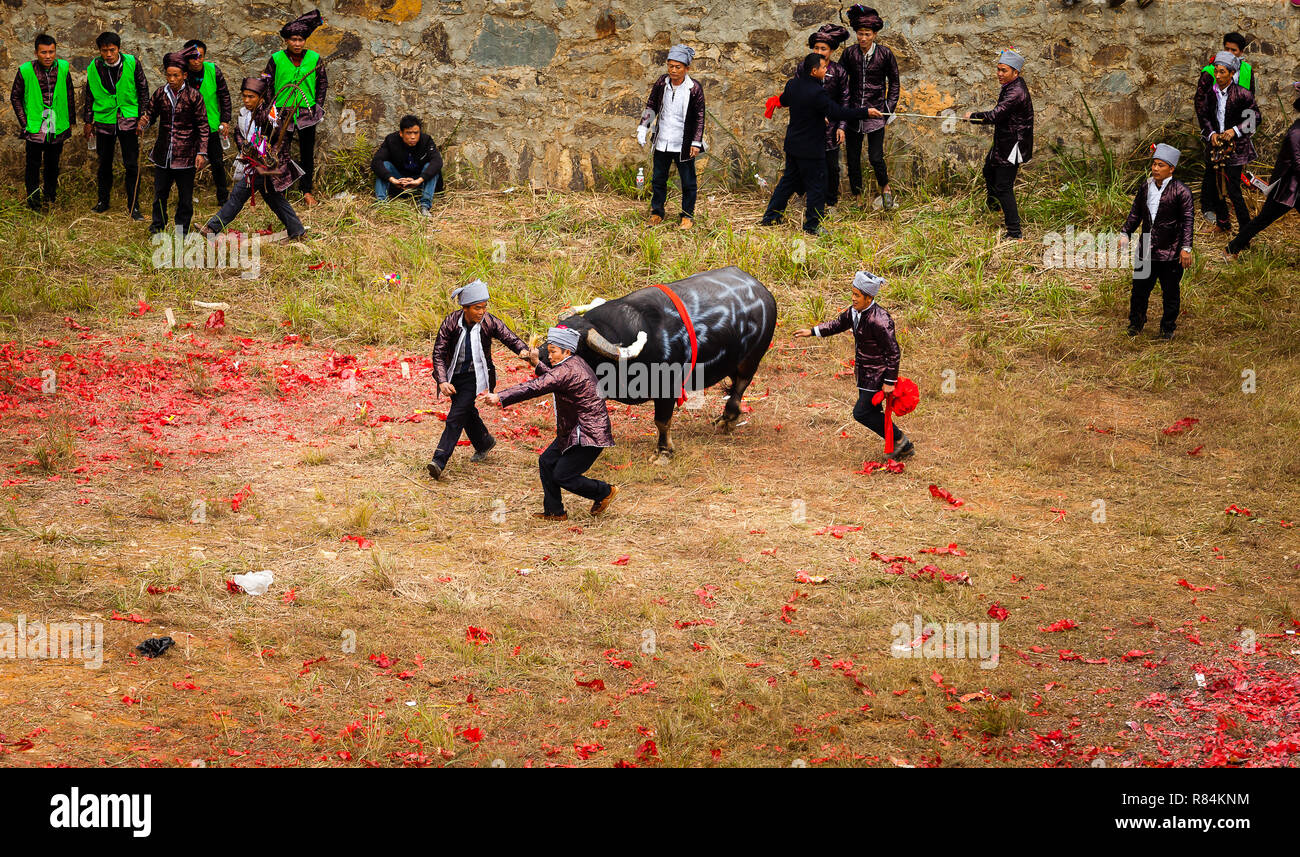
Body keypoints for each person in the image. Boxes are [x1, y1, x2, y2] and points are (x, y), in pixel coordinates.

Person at [480, 326, 619, 521]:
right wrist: (537, 363)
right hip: (576, 430)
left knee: (562, 475)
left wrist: (500, 397)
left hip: (588, 434)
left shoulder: (567, 370)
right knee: (546, 462)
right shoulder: (572, 363)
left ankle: (604, 491)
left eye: (553, 351)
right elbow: (552, 378)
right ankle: (555, 511)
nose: (550, 356)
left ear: (567, 351)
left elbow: (535, 387)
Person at [793, 271, 913, 460]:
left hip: (876, 375)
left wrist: (889, 381)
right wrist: (812, 331)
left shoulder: (880, 320)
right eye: (853, 293)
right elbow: (837, 324)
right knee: (871, 412)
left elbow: (893, 352)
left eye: (857, 295)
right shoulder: (854, 312)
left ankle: (901, 441)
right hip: (864, 373)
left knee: (861, 412)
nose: (853, 298)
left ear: (869, 297)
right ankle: (899, 444)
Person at [427, 280, 533, 481]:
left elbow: (508, 336)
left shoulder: (489, 322)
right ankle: (484, 442)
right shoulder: (450, 323)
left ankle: (439, 461)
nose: (481, 312)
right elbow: (439, 353)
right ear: (465, 308)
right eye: (477, 308)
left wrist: (523, 350)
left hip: (473, 377)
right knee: (466, 411)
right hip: (453, 375)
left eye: (484, 307)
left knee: (456, 416)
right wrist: (442, 380)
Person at [760, 53, 873, 235]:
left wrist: (819, 116)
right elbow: (838, 111)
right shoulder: (817, 92)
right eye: (823, 67)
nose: (826, 69)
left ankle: (771, 217)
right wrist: (865, 112)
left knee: (787, 182)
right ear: (814, 71)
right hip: (811, 148)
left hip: (793, 144)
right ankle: (812, 225)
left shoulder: (792, 84)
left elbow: (788, 101)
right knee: (817, 186)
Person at [198, 76, 305, 240]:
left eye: (251, 97)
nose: (246, 100)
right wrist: (245, 147)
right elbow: (239, 134)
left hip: (265, 165)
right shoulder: (244, 113)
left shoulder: (269, 114)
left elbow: (278, 137)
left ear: (261, 97)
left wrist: (266, 153)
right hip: (254, 163)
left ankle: (212, 227)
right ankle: (297, 231)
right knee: (273, 199)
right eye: (244, 96)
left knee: (238, 195)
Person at [1118, 144, 1194, 340]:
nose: (1155, 169)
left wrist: (1186, 248)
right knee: (1139, 290)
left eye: (1161, 165)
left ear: (1171, 169)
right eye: (1154, 164)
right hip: (1146, 249)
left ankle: (1167, 327)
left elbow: (1187, 221)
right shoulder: (1145, 187)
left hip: (1170, 251)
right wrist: (1125, 232)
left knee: (1170, 292)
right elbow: (1136, 213)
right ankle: (1136, 322)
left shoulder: (1181, 191)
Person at [964, 50, 1033, 240]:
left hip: (1013, 145)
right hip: (1005, 140)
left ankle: (1014, 232)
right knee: (989, 170)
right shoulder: (1012, 85)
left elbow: (995, 115)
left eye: (1004, 70)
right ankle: (994, 208)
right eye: (998, 69)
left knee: (1004, 185)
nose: (999, 74)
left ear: (1016, 72)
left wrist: (973, 117)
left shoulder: (1016, 92)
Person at [636, 44, 705, 230]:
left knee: (688, 182)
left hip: (683, 143)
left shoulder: (694, 88)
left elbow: (699, 117)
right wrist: (643, 127)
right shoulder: (661, 83)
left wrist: (696, 142)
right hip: (663, 141)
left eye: (678, 67)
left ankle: (687, 215)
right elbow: (651, 106)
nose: (673, 70)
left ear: (686, 68)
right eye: (670, 66)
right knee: (658, 179)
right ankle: (657, 212)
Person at [1226, 86, 1300, 257]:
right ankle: (1231, 249)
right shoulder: (1296, 133)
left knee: (1262, 220)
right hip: (1287, 190)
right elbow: (1298, 165)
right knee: (1262, 220)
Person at [141, 49, 208, 235]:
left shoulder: (194, 96)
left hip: (186, 155)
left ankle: (181, 231)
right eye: (169, 75)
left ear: (184, 75)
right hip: (164, 154)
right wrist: (144, 122)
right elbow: (150, 114)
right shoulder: (160, 94)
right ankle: (157, 228)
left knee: (185, 197)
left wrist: (202, 153)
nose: (171, 79)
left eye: (176, 75)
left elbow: (203, 126)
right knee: (160, 194)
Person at [264, 9, 327, 207]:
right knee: (280, 151)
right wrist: (270, 109)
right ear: (286, 41)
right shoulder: (276, 59)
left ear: (305, 40)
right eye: (293, 40)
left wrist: (317, 106)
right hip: (282, 112)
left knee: (307, 152)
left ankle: (306, 191)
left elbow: (322, 84)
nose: (297, 44)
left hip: (306, 112)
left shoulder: (314, 58)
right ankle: (279, 189)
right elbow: (267, 85)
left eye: (301, 40)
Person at [83, 32, 149, 218]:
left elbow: (143, 89)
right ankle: (103, 201)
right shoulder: (94, 67)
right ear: (99, 51)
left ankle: (133, 206)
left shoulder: (132, 63)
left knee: (131, 165)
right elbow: (89, 94)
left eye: (112, 50)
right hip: (105, 120)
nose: (109, 54)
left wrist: (143, 116)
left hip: (128, 119)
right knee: (104, 163)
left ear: (119, 49)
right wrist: (88, 121)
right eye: (105, 51)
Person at [839, 6, 899, 208]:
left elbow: (895, 83)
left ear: (874, 35)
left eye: (867, 34)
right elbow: (840, 80)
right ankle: (857, 196)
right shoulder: (849, 54)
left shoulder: (885, 54)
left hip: (877, 113)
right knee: (853, 158)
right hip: (854, 112)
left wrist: (888, 109)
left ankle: (885, 188)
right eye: (860, 34)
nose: (863, 38)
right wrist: (840, 108)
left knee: (875, 157)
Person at [1194, 50, 1259, 236]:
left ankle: (1246, 232)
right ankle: (1223, 223)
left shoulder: (1242, 94)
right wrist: (1212, 133)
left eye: (1222, 72)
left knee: (1233, 189)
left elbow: (1255, 117)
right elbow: (1204, 116)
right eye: (1216, 71)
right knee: (1216, 186)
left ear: (1232, 73)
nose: (1218, 75)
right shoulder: (1211, 94)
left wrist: (1235, 131)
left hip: (1235, 148)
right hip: (1216, 147)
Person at [10, 33, 76, 211]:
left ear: (55, 51)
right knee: (32, 165)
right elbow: (15, 97)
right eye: (44, 52)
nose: (48, 56)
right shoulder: (25, 70)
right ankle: (33, 201)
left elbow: (69, 93)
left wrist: (70, 120)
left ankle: (50, 198)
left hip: (57, 125)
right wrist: (24, 123)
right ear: (36, 52)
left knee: (52, 163)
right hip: (35, 126)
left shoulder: (63, 67)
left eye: (51, 52)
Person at [184, 39, 233, 206]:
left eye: (200, 57)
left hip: (210, 125)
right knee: (187, 164)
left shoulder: (213, 71)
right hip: (189, 128)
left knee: (217, 162)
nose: (197, 61)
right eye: (193, 57)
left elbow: (224, 96)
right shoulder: (181, 74)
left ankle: (223, 198)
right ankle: (186, 198)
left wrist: (225, 120)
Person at [807, 24, 851, 207]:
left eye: (823, 49)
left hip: (832, 127)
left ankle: (831, 202)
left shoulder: (839, 72)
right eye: (816, 48)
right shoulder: (805, 68)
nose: (819, 51)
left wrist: (842, 126)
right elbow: (800, 94)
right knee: (809, 166)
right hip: (810, 127)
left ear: (831, 51)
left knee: (832, 167)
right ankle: (811, 201)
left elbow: (845, 99)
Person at [372, 115, 443, 215]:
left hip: (420, 184)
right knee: (385, 165)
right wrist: (393, 179)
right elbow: (376, 162)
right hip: (399, 183)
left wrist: (419, 180)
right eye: (409, 133)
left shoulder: (426, 140)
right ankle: (381, 204)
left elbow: (437, 161)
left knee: (431, 166)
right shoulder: (391, 140)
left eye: (416, 133)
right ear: (401, 133)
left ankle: (425, 206)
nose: (413, 137)